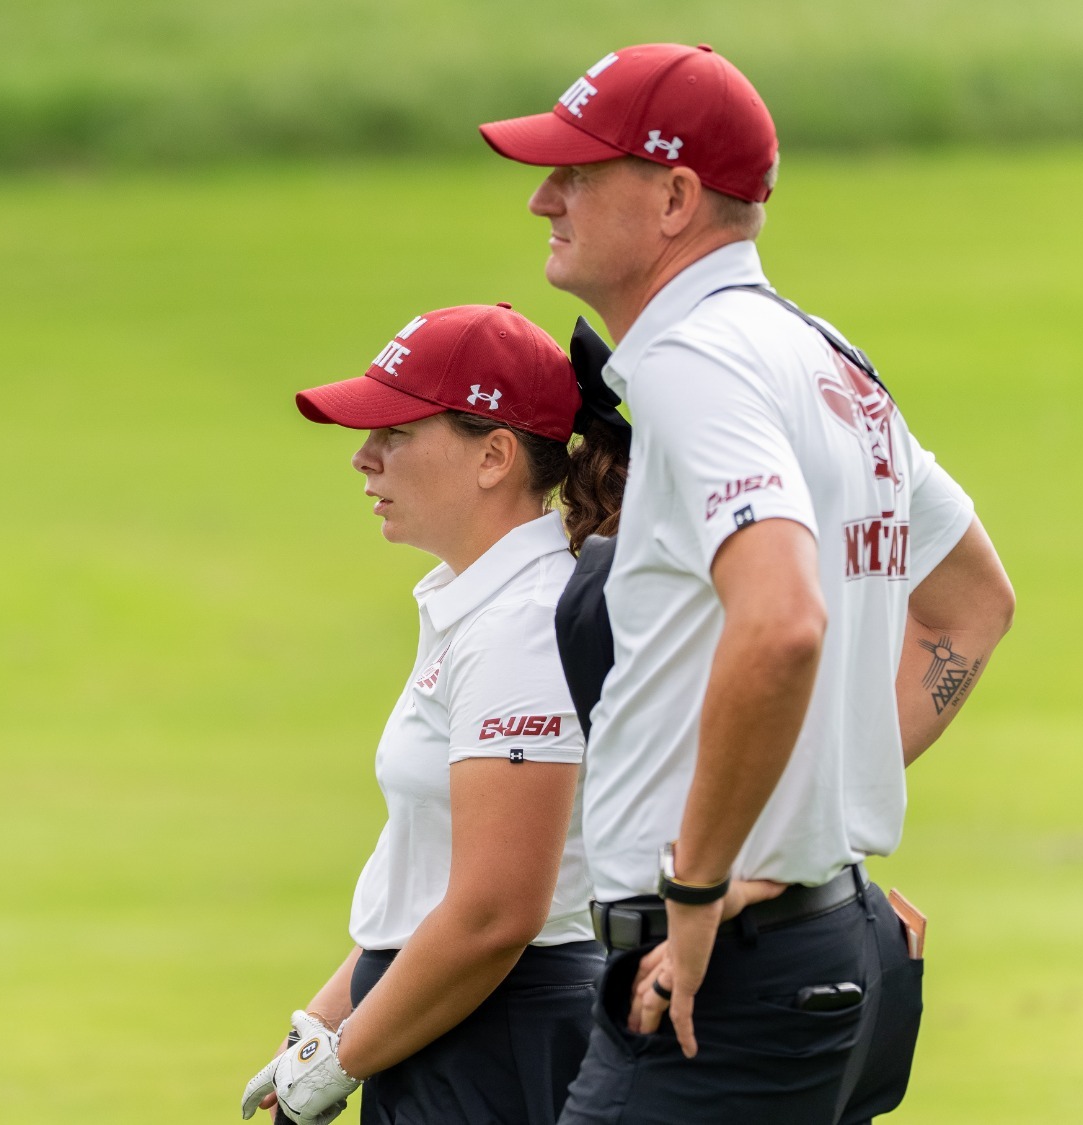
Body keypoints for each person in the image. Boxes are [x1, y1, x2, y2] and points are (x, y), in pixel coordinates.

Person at [477, 43, 1018, 1123]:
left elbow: (781, 622)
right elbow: (973, 604)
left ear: (674, 198)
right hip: (820, 939)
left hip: (715, 981)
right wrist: (801, 823)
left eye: (578, 173)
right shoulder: (824, 355)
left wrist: (699, 883)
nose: (544, 197)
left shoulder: (697, 363)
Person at [240, 302, 630, 1125]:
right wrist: (324, 1024)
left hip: (500, 1041)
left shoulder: (522, 627)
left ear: (493, 456)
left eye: (396, 433)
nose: (364, 456)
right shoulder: (479, 606)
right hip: (442, 1023)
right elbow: (423, 883)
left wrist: (345, 1056)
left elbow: (496, 912)